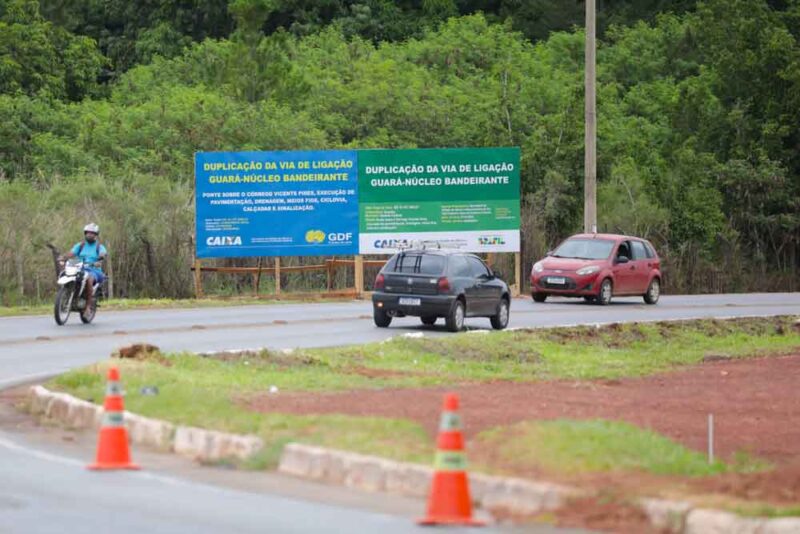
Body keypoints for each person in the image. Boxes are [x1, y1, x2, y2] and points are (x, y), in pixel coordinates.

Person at [62, 223, 107, 315]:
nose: (89, 235)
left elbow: (103, 253)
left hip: (94, 270)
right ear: (85, 233)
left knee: (89, 278)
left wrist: (100, 257)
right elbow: (72, 254)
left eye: (92, 233)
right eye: (88, 233)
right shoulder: (80, 245)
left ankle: (88, 307)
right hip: (79, 268)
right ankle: (66, 296)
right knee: (64, 273)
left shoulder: (99, 246)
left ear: (96, 235)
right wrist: (63, 257)